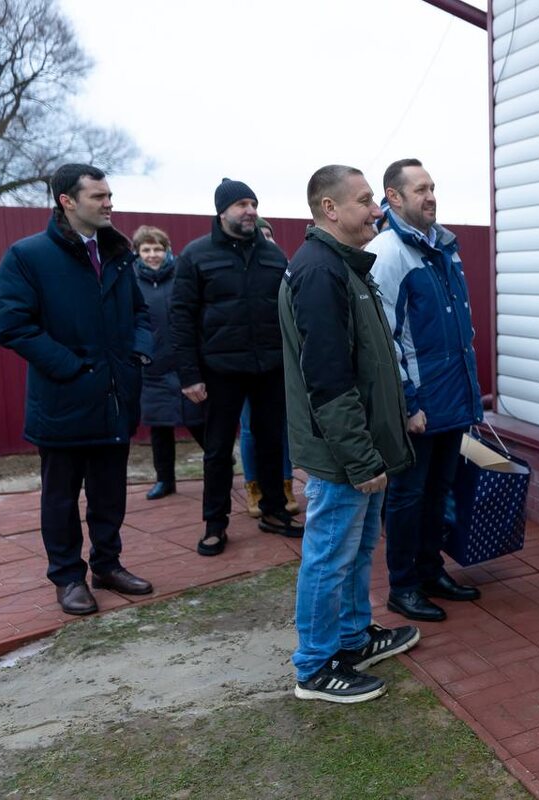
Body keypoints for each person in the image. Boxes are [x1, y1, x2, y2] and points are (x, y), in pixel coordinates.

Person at [0, 163, 156, 615]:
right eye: (98, 196)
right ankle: (67, 577)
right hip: (63, 401)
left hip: (115, 397)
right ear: (67, 201)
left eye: (109, 195)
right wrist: (70, 367)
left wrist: (137, 353)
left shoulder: (119, 253)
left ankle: (108, 564)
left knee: (110, 491)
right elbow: (11, 324)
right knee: (60, 498)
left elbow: (140, 313)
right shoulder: (28, 256)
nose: (109, 203)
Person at [280, 165, 418, 702]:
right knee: (328, 555)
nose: (376, 211)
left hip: (362, 444)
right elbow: (329, 380)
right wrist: (361, 458)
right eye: (364, 201)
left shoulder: (346, 266)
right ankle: (314, 667)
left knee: (358, 550)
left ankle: (353, 638)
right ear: (329, 208)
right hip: (341, 451)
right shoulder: (320, 272)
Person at [366, 158, 483, 623]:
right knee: (408, 497)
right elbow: (383, 336)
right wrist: (409, 404)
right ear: (393, 197)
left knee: (439, 491)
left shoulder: (444, 249)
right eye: (419, 189)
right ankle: (403, 585)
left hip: (452, 398)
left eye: (433, 187)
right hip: (420, 405)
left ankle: (432, 571)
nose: (431, 196)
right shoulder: (388, 252)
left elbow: (457, 329)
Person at [171, 178, 303, 556]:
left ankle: (274, 511)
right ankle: (215, 524)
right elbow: (181, 317)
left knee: (271, 441)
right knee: (216, 450)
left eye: (253, 203)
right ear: (222, 211)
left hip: (270, 367)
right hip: (220, 370)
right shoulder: (196, 256)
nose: (250, 210)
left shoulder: (274, 256)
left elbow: (290, 312)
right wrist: (189, 374)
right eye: (242, 204)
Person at [132, 225, 206, 500]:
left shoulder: (180, 276)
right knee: (159, 427)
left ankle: (217, 463)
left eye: (158, 249)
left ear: (167, 250)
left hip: (185, 360)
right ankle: (165, 480)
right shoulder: (131, 280)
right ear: (138, 253)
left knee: (198, 420)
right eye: (146, 249)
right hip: (152, 365)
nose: (153, 255)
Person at [238, 216, 299, 517]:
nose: (264, 239)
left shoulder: (283, 270)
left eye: (269, 235)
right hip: (247, 363)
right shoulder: (241, 272)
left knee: (283, 427)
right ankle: (254, 487)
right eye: (259, 235)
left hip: (280, 363)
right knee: (250, 427)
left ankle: (286, 484)